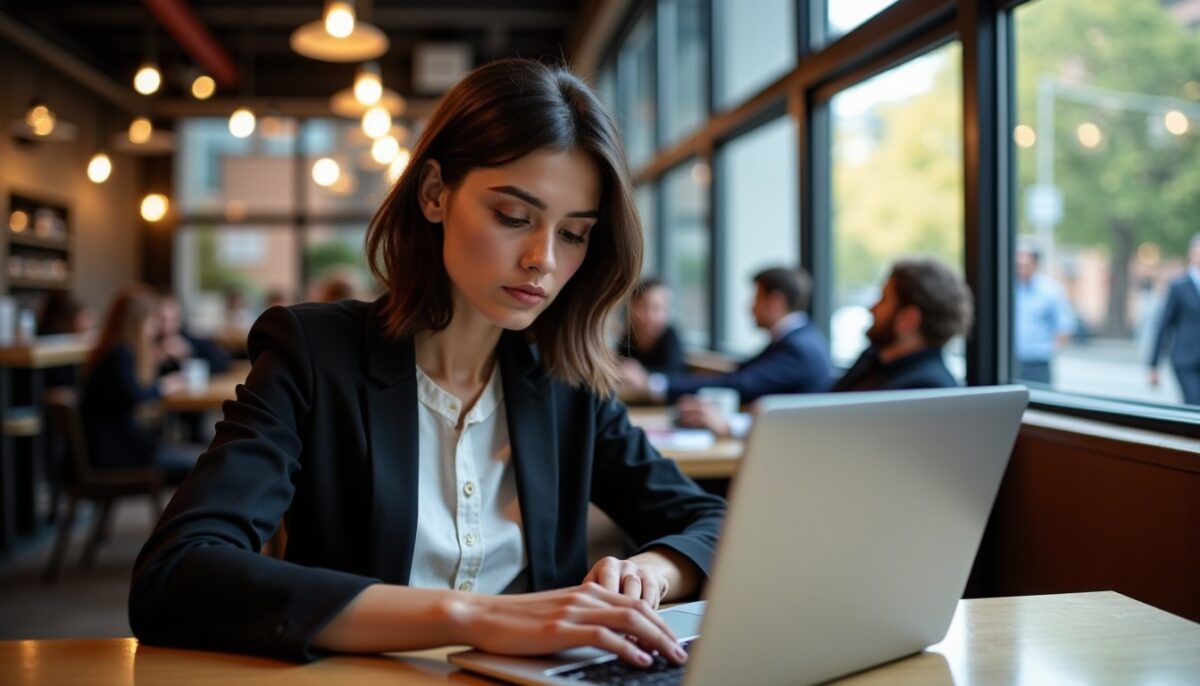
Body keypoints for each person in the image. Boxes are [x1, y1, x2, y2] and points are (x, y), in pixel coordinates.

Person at [129, 59, 724, 668]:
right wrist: (477, 616)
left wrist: (649, 572)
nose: (542, 259)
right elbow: (176, 572)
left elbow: (717, 521)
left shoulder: (565, 381)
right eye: (514, 217)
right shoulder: (315, 354)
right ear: (435, 193)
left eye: (573, 234)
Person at [625, 267, 832, 410]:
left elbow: (741, 383)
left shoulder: (798, 347)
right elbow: (742, 371)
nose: (749, 307)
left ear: (775, 301)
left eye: (755, 299)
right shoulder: (796, 339)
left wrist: (655, 384)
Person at [80, 286, 196, 484]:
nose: (155, 330)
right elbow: (135, 394)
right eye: (152, 322)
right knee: (206, 463)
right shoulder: (119, 355)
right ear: (137, 322)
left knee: (203, 457)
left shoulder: (112, 351)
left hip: (113, 447)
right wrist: (164, 386)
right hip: (118, 454)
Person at [833, 258, 973, 392]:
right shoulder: (874, 358)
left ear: (908, 318)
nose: (872, 308)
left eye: (883, 300)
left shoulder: (928, 388)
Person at [1148, 233, 1200, 405]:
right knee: (1194, 404)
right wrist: (1154, 364)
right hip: (1186, 360)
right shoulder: (1179, 287)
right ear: (1191, 253)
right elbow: (1164, 325)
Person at [1013, 247, 1075, 384]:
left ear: (1035, 265)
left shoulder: (1051, 291)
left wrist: (1050, 350)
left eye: (1025, 266)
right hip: (1011, 363)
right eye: (1018, 266)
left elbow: (1064, 327)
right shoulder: (1007, 288)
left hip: (1038, 365)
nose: (1020, 270)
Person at [616, 277, 685, 379]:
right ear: (632, 308)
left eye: (662, 308)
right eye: (646, 307)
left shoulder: (669, 335)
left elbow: (674, 375)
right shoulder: (628, 337)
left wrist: (641, 373)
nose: (653, 316)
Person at [157, 292, 232, 377]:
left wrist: (187, 355)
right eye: (161, 320)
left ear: (179, 320)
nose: (166, 327)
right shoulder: (148, 343)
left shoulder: (188, 339)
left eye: (172, 321)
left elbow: (222, 362)